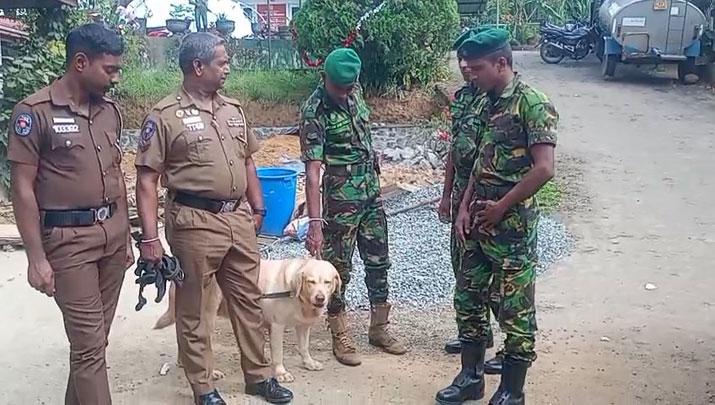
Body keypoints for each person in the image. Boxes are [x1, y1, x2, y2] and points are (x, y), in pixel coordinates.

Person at [134, 32, 293, 405]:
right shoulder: (164, 116)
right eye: (222, 62)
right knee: (194, 307)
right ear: (198, 66)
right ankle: (203, 387)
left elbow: (248, 161)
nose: (228, 68)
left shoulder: (233, 109)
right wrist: (150, 239)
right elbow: (146, 180)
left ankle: (259, 376)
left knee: (248, 300)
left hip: (238, 219)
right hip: (194, 221)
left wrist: (258, 209)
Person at [8, 23, 132, 405]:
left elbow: (116, 175)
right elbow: (22, 189)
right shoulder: (34, 113)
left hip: (112, 239)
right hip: (68, 244)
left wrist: (126, 239)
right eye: (109, 69)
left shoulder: (109, 112)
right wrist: (36, 259)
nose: (116, 77)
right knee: (90, 347)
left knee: (92, 344)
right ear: (80, 62)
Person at [437, 28, 558, 405]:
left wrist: (501, 206)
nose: (469, 73)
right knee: (468, 298)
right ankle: (471, 377)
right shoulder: (483, 103)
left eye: (476, 67)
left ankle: (512, 390)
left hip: (512, 227)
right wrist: (462, 207)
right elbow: (479, 162)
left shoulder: (531, 103)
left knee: (514, 310)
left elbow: (544, 168)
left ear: (501, 63)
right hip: (477, 220)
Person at [299, 48, 407, 367]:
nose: (345, 93)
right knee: (338, 269)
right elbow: (312, 172)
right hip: (340, 199)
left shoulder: (354, 92)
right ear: (325, 78)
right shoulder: (314, 111)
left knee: (378, 260)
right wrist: (315, 224)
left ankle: (379, 328)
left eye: (349, 87)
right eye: (340, 88)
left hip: (371, 192)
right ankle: (340, 333)